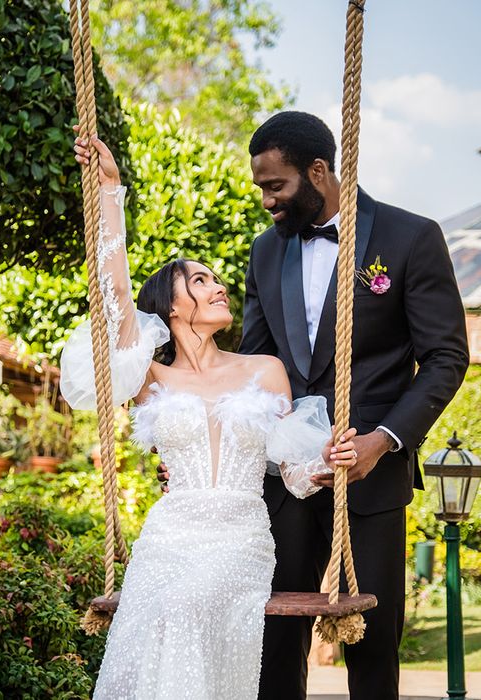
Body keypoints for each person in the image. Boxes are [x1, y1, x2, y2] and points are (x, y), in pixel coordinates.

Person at [61, 127, 358, 699]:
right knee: (159, 610)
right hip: (170, 535)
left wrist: (323, 464)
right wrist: (109, 191)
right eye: (200, 281)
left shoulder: (264, 369)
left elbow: (294, 476)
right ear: (171, 307)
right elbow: (114, 292)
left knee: (186, 606)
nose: (219, 286)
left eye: (217, 278)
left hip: (240, 536)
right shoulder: (151, 377)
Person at [238, 111, 468, 700]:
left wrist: (383, 439)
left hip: (370, 483)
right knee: (275, 645)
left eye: (276, 186)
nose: (267, 201)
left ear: (319, 171)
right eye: (261, 187)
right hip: (284, 484)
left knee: (370, 647)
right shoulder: (265, 252)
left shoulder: (409, 237)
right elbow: (255, 366)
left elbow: (445, 357)